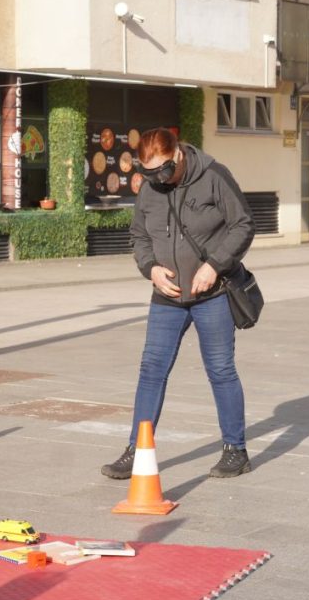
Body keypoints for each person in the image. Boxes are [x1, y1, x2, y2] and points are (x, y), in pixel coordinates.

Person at [101, 128, 256, 481]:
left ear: (178, 155)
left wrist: (214, 265)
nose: (158, 178)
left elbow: (243, 224)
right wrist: (150, 269)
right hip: (167, 296)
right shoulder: (150, 188)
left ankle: (236, 450)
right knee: (151, 370)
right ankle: (137, 450)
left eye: (163, 170)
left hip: (212, 294)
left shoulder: (214, 175)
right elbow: (139, 235)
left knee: (220, 370)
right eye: (148, 173)